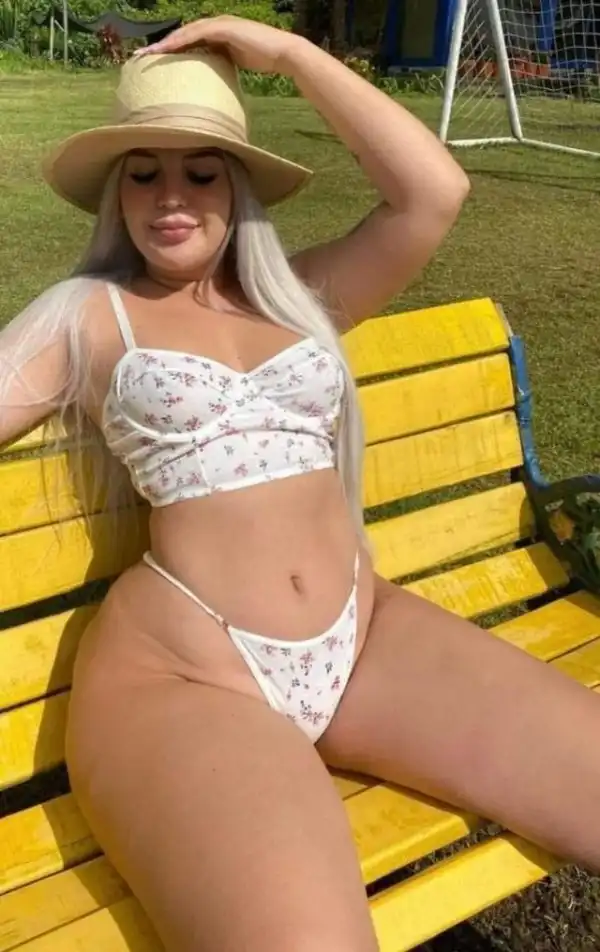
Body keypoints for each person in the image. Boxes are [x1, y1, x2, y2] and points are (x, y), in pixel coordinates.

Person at [1, 15, 599, 952]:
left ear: (238, 188)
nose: (171, 196)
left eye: (203, 172)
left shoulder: (302, 298)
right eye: (143, 173)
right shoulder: (86, 314)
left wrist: (283, 52)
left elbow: (433, 193)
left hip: (365, 640)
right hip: (188, 678)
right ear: (115, 195)